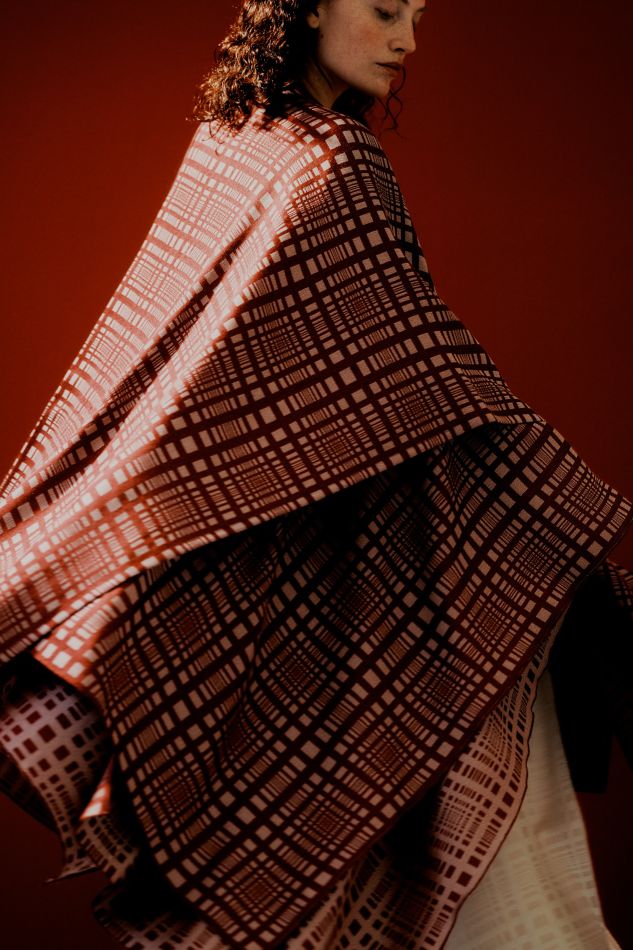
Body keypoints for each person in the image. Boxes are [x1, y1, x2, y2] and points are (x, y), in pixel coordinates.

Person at [0, 1, 631, 948]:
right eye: (384, 9)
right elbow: (422, 373)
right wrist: (553, 511)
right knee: (508, 878)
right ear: (306, 5)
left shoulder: (229, 139)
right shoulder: (335, 158)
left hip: (317, 569)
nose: (407, 41)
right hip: (373, 583)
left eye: (417, 14)